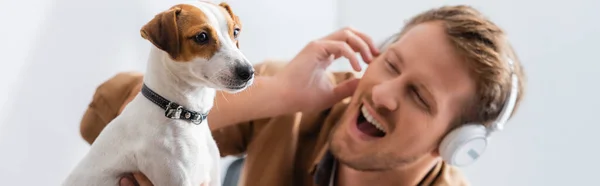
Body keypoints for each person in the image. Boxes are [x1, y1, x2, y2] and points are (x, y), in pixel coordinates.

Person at [79, 5, 526, 186]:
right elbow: (106, 110)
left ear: (452, 143)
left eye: (420, 97)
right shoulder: (296, 98)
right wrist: (276, 96)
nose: (383, 93)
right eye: (390, 63)